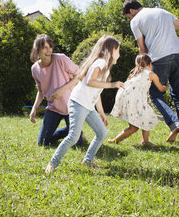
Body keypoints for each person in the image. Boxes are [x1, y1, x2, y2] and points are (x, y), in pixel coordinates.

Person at [45, 35, 125, 173]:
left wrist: (101, 113)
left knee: (102, 132)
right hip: (78, 103)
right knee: (74, 137)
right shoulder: (100, 63)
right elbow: (90, 82)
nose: (119, 53)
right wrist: (113, 84)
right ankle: (52, 164)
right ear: (111, 50)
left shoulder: (104, 67)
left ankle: (87, 161)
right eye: (118, 50)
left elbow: (97, 91)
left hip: (88, 106)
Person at [122, 0, 179, 143]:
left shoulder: (135, 21)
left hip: (159, 58)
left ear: (132, 11)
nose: (130, 18)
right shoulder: (162, 11)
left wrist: (141, 68)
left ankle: (174, 123)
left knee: (155, 94)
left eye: (129, 16)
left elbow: (142, 49)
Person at [30, 34, 84, 146]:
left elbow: (80, 75)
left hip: (71, 106)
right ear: (37, 49)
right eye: (45, 47)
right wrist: (34, 108)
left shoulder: (61, 59)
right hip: (53, 107)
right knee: (43, 142)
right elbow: (40, 91)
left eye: (50, 46)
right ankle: (69, 131)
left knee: (77, 144)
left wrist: (62, 90)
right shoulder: (35, 69)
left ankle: (76, 133)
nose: (48, 50)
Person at [108, 54, 168, 146]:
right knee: (138, 124)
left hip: (125, 98)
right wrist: (165, 87)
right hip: (134, 100)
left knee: (140, 121)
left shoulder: (135, 74)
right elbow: (160, 88)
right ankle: (143, 141)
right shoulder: (151, 74)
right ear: (150, 64)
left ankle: (118, 141)